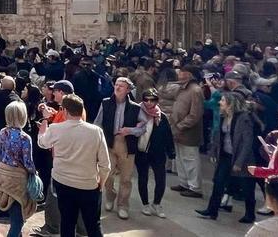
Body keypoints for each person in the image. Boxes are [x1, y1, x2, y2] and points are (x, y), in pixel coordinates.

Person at [36, 94, 109, 237]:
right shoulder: (96, 132)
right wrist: (101, 182)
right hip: (88, 185)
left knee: (67, 222)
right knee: (93, 225)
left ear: (65, 111)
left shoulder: (56, 129)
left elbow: (42, 142)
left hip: (63, 183)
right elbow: (105, 164)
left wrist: (45, 119)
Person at [196, 89, 261, 224]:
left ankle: (250, 214)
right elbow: (217, 136)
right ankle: (212, 210)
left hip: (241, 158)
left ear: (231, 104)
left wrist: (239, 162)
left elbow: (247, 142)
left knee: (247, 186)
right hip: (226, 156)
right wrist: (213, 151)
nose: (220, 102)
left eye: (223, 100)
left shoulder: (244, 118)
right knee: (218, 182)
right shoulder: (223, 116)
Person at [94, 76, 143, 219]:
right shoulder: (106, 103)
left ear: (128, 90)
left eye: (121, 86)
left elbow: (144, 127)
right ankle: (110, 196)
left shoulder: (135, 107)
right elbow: (98, 122)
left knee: (126, 179)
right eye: (116, 84)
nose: (117, 87)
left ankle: (123, 205)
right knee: (107, 175)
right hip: (109, 143)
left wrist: (131, 130)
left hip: (127, 145)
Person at [0, 101, 37, 237]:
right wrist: (34, 173)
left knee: (14, 215)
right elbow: (28, 162)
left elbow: (0, 153)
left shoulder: (2, 132)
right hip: (17, 179)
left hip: (2, 175)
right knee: (18, 221)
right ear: (23, 116)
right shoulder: (25, 138)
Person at [134, 88, 174, 218]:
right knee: (143, 178)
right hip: (142, 152)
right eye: (146, 99)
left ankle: (157, 203)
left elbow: (168, 135)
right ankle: (145, 204)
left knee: (160, 179)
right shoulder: (137, 113)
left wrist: (171, 151)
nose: (149, 102)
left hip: (158, 153)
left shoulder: (162, 117)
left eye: (152, 100)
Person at [170, 64, 205, 199]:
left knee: (190, 159)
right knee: (180, 158)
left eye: (183, 72)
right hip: (178, 129)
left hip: (189, 131)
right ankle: (184, 183)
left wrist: (181, 125)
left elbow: (195, 114)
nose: (179, 74)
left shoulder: (195, 90)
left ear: (189, 75)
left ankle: (195, 187)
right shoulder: (182, 89)